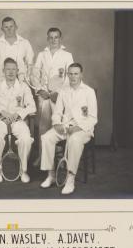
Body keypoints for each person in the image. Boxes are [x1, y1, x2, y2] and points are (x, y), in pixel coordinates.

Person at [40, 63, 97, 195]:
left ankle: (70, 179)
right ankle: (51, 175)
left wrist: (78, 128)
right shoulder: (63, 91)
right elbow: (57, 113)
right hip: (65, 127)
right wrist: (56, 124)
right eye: (70, 73)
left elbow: (93, 118)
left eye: (76, 73)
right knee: (47, 138)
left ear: (81, 74)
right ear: (67, 75)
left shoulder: (89, 92)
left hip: (83, 129)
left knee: (74, 141)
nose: (73, 76)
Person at [0, 57, 36, 183]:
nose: (11, 72)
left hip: (18, 121)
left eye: (13, 69)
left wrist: (18, 114)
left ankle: (23, 170)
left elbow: (32, 106)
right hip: (0, 121)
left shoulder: (23, 86)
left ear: (17, 70)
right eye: (8, 69)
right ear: (3, 71)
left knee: (26, 139)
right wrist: (1, 112)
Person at [33, 27, 74, 166]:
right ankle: (42, 157)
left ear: (60, 39)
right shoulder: (41, 55)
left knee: (58, 125)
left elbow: (70, 77)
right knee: (43, 127)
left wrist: (60, 93)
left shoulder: (67, 55)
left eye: (56, 37)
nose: (53, 40)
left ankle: (61, 158)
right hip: (44, 95)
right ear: (47, 39)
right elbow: (34, 75)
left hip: (59, 96)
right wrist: (39, 90)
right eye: (50, 37)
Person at [0, 16, 34, 84]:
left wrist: (26, 79)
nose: (9, 29)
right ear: (2, 29)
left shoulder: (25, 43)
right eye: (6, 27)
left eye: (11, 26)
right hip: (0, 82)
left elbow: (30, 64)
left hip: (21, 83)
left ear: (16, 27)